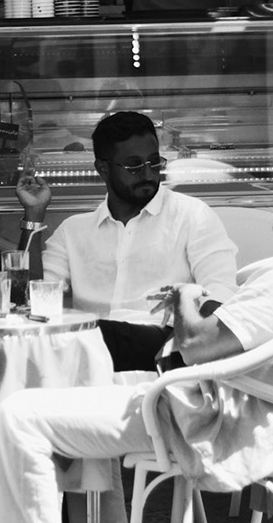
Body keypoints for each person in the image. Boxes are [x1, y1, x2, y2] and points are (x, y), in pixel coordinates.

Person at [0, 141, 273, 523]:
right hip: (244, 411)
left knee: (18, 414)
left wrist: (187, 296)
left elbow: (194, 346)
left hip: (204, 421)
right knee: (80, 383)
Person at [27, 110, 238, 373]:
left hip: (161, 344)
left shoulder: (191, 215)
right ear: (103, 169)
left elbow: (222, 289)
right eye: (134, 166)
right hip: (90, 346)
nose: (148, 174)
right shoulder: (73, 231)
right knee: (34, 343)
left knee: (77, 339)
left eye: (154, 162)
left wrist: (193, 340)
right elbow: (35, 297)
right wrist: (33, 214)